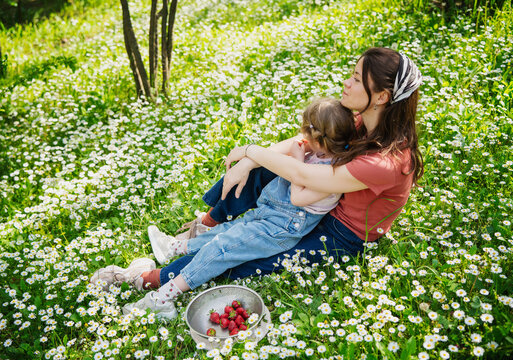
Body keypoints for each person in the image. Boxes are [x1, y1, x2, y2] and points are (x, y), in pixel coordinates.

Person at [93, 47, 423, 320]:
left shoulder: (387, 161)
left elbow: (304, 177)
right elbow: (304, 141)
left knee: (238, 257)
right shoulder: (358, 120)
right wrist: (248, 163)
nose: (346, 83)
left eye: (355, 78)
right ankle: (202, 227)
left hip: (338, 234)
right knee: (262, 171)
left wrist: (252, 151)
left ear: (381, 96)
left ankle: (150, 280)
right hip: (315, 204)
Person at [92, 98, 358, 319]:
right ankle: (173, 248)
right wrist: (258, 158)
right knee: (227, 231)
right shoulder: (319, 150)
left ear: (319, 140)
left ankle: (165, 297)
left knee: (223, 249)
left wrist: (298, 161)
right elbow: (291, 144)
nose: (302, 140)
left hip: (281, 228)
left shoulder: (333, 173)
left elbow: (299, 197)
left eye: (307, 135)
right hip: (270, 213)